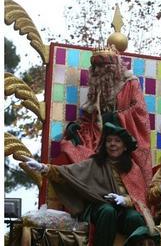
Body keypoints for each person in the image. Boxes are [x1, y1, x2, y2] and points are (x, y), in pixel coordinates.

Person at [24, 123, 156, 246]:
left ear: (125, 146)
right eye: (109, 141)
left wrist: (125, 200)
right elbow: (68, 174)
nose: (112, 144)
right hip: (99, 208)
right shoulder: (95, 163)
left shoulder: (133, 168)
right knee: (108, 211)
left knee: (134, 218)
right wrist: (43, 168)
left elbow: (140, 197)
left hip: (124, 210)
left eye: (117, 141)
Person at [61, 45, 153, 191]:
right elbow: (90, 115)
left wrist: (114, 117)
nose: (97, 70)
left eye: (101, 66)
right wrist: (77, 126)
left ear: (112, 67)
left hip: (123, 138)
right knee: (68, 147)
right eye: (94, 66)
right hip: (99, 136)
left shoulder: (130, 83)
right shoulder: (97, 87)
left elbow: (139, 112)